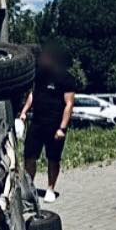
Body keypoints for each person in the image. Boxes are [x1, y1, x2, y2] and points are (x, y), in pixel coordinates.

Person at [19, 42, 77, 203]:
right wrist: (24, 113)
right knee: (29, 156)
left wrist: (62, 128)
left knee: (53, 158)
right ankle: (30, 189)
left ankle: (51, 189)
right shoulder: (39, 74)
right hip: (37, 122)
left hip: (55, 125)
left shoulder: (66, 78)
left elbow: (69, 104)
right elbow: (32, 95)